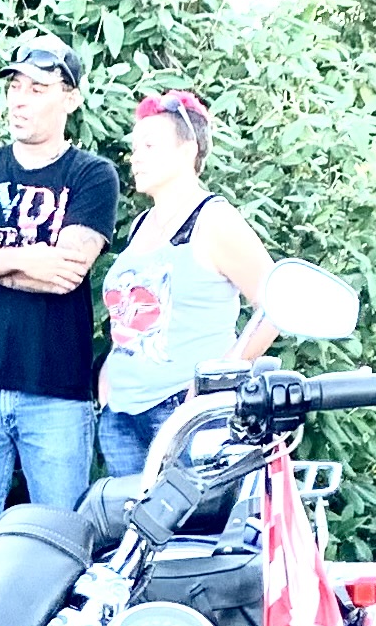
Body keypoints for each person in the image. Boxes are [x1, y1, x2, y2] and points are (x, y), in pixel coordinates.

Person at [0, 37, 118, 531]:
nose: (19, 100)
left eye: (37, 88)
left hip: (57, 393)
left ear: (70, 99)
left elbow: (65, 274)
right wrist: (26, 257)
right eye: (15, 87)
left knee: (61, 545)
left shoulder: (93, 176)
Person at [94, 91, 282, 477]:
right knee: (130, 517)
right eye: (135, 147)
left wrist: (218, 379)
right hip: (121, 415)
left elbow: (277, 307)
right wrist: (107, 384)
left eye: (149, 145)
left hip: (185, 414)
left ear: (188, 150)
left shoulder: (213, 220)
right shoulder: (140, 224)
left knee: (191, 518)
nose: (136, 157)